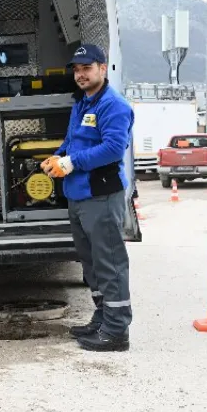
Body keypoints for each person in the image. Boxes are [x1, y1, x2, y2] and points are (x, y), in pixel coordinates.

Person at [40, 44, 134, 352]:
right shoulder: (82, 103)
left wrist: (69, 164)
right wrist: (55, 157)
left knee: (109, 262)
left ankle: (116, 331)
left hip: (101, 194)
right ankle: (102, 317)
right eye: (77, 70)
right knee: (91, 262)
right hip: (78, 195)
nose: (80, 75)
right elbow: (72, 141)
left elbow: (112, 149)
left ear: (102, 69)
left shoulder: (113, 105)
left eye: (87, 68)